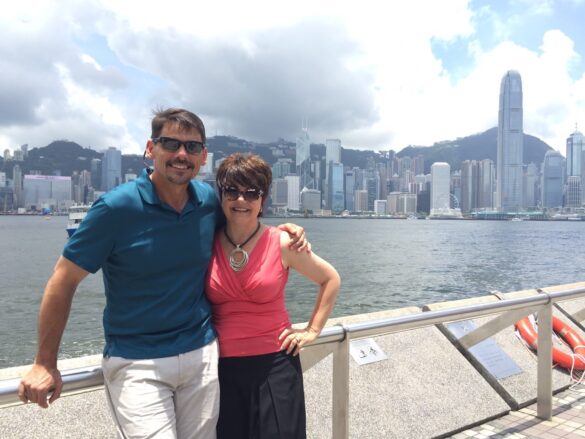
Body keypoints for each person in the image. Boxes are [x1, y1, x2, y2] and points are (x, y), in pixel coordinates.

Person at [18, 108, 306, 439]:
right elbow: (62, 280)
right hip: (137, 362)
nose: (182, 154)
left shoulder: (209, 202)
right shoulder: (116, 208)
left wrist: (289, 231)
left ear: (203, 157)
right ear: (150, 148)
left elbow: (246, 224)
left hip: (201, 355)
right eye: (170, 143)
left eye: (192, 147)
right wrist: (44, 362)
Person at [206, 153, 341, 439]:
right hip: (221, 369)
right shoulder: (206, 241)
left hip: (275, 366)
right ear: (221, 196)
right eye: (232, 191)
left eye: (251, 193)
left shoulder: (282, 242)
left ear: (262, 199)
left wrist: (312, 330)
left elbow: (330, 279)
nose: (240, 200)